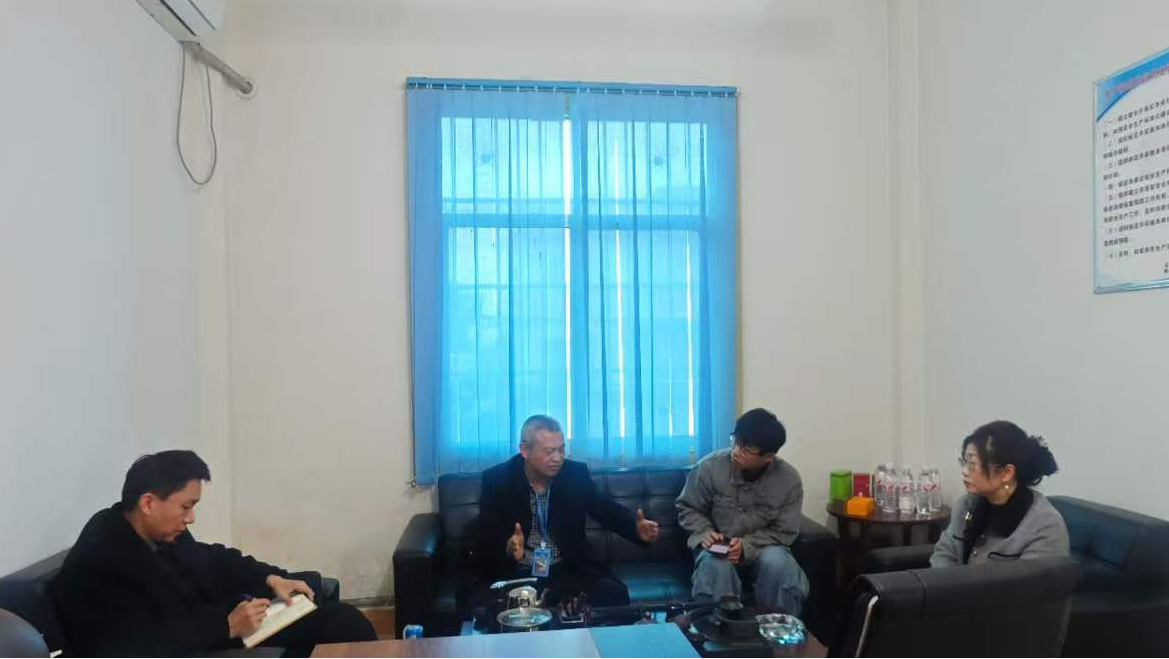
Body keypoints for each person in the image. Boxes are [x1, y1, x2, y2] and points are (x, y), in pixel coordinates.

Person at [53, 450, 375, 657]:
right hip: (204, 643)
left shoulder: (159, 530)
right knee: (336, 629)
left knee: (340, 618)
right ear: (148, 503)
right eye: (186, 506)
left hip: (220, 627)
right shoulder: (100, 560)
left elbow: (214, 560)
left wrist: (271, 578)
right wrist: (225, 626)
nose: (190, 518)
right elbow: (128, 644)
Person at [474, 415, 660, 607]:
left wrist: (634, 527)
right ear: (525, 450)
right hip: (519, 570)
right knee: (485, 602)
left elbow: (604, 508)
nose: (557, 458)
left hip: (567, 567)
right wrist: (508, 546)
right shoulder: (498, 479)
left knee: (614, 593)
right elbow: (486, 533)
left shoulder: (574, 474)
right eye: (549, 451)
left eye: (561, 450)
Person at [676, 408, 809, 614]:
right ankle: (720, 629)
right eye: (735, 441)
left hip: (763, 548)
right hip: (719, 547)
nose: (736, 451)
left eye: (746, 449)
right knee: (716, 566)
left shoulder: (789, 480)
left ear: (768, 456)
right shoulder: (709, 467)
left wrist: (747, 545)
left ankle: (779, 628)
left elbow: (785, 531)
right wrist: (704, 532)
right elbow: (688, 507)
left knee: (779, 565)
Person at [931, 420, 1069, 567]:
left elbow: (1030, 580)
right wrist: (944, 580)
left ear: (1007, 473)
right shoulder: (966, 505)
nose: (964, 471)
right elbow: (944, 553)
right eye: (965, 462)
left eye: (972, 464)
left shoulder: (1044, 525)